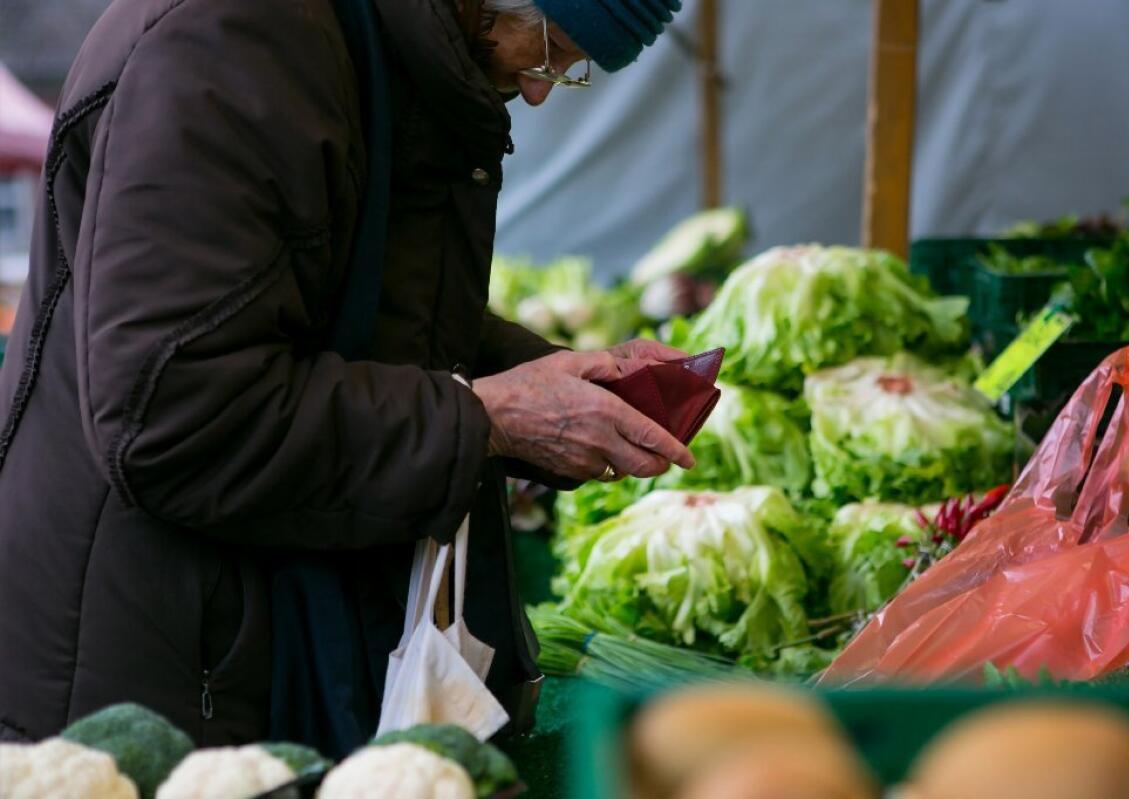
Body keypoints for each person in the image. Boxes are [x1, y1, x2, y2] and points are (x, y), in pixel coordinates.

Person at [0, 0, 686, 750]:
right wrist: (485, 416)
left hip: (230, 632)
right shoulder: (233, 40)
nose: (539, 90)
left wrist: (551, 379)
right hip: (150, 670)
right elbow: (173, 415)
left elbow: (348, 308)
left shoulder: (357, 43)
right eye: (553, 51)